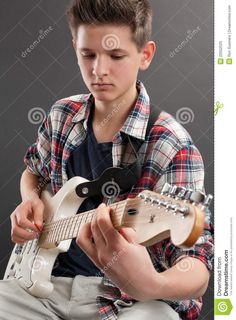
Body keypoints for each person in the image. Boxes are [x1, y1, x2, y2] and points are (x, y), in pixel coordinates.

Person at [0, 0, 213, 319]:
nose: (99, 70)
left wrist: (150, 284)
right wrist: (30, 201)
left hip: (128, 301)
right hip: (42, 287)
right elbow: (34, 173)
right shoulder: (61, 115)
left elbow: (197, 269)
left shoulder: (172, 144)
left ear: (146, 54)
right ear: (75, 46)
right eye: (88, 54)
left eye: (116, 55)